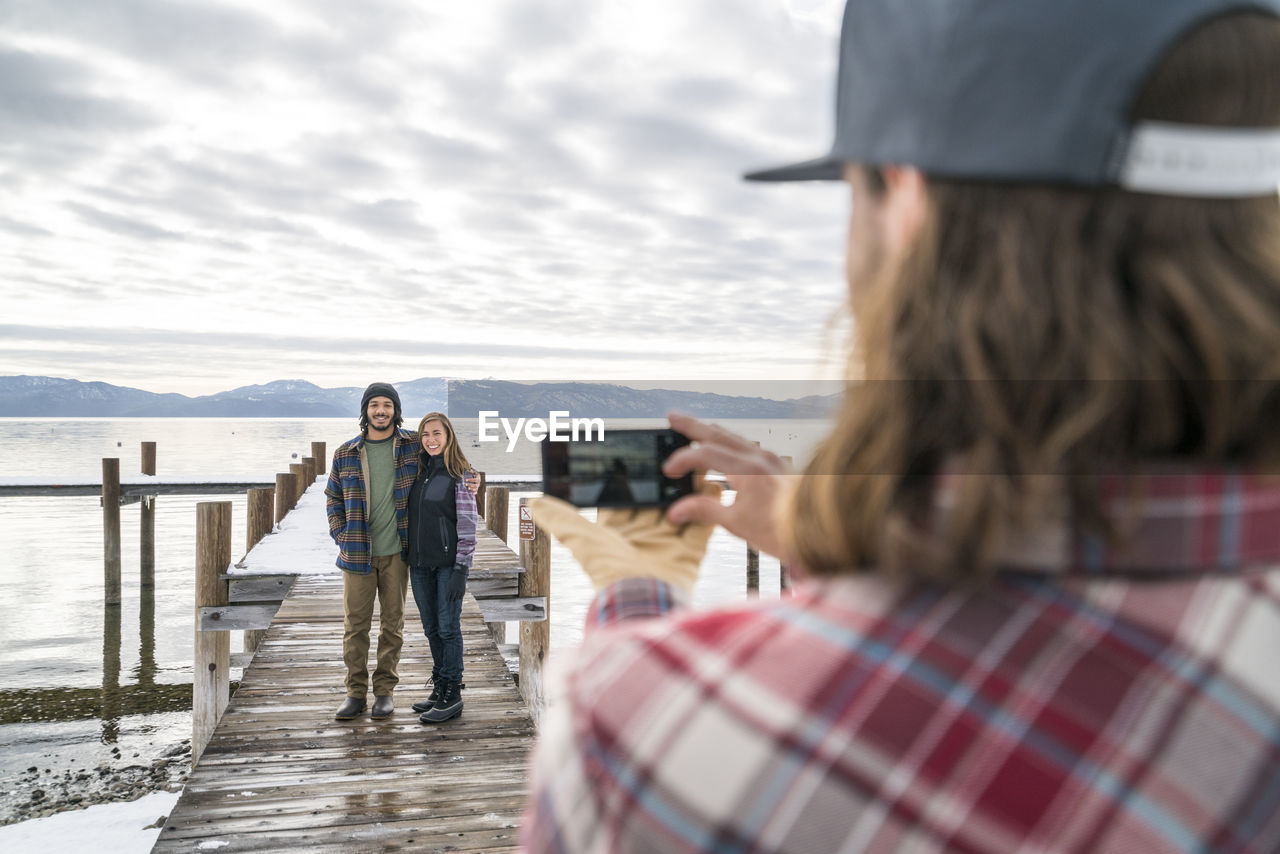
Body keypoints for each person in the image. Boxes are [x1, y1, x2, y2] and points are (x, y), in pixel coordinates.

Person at [521, 1, 1280, 852]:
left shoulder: (640, 739)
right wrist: (836, 549)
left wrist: (637, 596)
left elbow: (663, 761)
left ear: (906, 199)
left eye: (853, 191)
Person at [324, 382, 477, 721]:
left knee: (392, 625)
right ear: (365, 410)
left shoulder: (410, 445)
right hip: (357, 554)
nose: (381, 410)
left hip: (399, 553)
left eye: (388, 405)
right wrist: (340, 532)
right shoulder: (345, 452)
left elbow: (451, 460)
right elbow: (332, 498)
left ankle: (384, 692)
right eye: (375, 404)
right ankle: (355, 692)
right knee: (355, 626)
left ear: (396, 410)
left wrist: (476, 479)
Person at [406, 411, 477, 724]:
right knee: (431, 627)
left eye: (437, 433)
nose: (431, 440)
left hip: (449, 565)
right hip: (420, 565)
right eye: (425, 435)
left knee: (449, 628)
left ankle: (453, 692)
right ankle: (439, 685)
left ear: (448, 437)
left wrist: (462, 570)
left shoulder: (461, 476)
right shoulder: (418, 471)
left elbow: (468, 525)